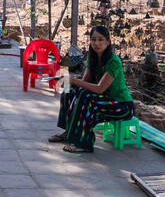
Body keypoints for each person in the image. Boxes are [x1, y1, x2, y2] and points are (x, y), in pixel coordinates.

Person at [49, 25, 135, 154]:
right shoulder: (92, 57)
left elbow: (100, 89)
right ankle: (68, 132)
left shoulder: (114, 61)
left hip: (120, 106)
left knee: (85, 96)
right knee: (70, 90)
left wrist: (74, 80)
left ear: (108, 42)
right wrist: (66, 79)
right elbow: (85, 83)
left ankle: (84, 143)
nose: (96, 43)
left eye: (100, 39)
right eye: (93, 39)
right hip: (103, 100)